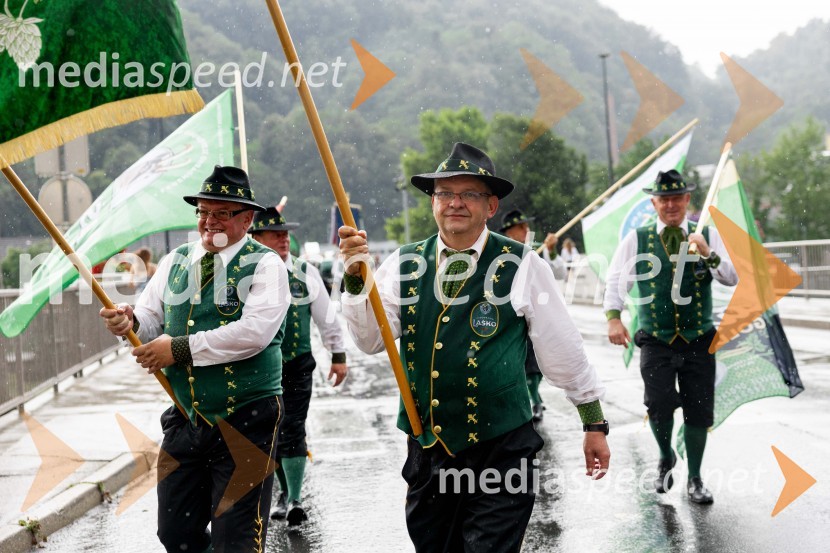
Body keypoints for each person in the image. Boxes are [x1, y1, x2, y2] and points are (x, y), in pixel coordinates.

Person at [339, 142, 610, 552]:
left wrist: (593, 423)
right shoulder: (403, 262)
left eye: (470, 194)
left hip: (501, 452)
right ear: (433, 202)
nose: (455, 203)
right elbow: (371, 339)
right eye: (445, 193)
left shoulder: (522, 264)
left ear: (491, 205)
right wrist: (357, 279)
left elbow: (563, 351)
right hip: (428, 448)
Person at [100, 165, 289, 552]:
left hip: (248, 417)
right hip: (186, 418)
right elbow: (150, 318)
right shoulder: (175, 261)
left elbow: (254, 334)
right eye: (203, 211)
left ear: (247, 218)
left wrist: (179, 348)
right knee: (175, 535)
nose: (208, 221)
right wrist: (128, 320)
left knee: (236, 540)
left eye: (221, 213)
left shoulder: (267, 264)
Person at [603, 169, 737, 504]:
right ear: (654, 203)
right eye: (664, 199)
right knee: (658, 404)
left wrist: (708, 252)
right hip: (656, 338)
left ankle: (695, 479)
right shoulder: (638, 238)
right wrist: (613, 319)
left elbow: (732, 277)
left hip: (699, 337)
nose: (671, 204)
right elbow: (616, 280)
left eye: (677, 198)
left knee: (698, 409)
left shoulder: (705, 233)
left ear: (688, 200)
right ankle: (665, 455)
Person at [248, 208, 349, 526]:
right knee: (269, 431)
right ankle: (280, 493)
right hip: (259, 368)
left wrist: (338, 355)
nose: (283, 238)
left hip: (296, 364)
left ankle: (293, 498)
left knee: (292, 428)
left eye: (285, 233)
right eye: (274, 234)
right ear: (256, 239)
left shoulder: (304, 272)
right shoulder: (246, 275)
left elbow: (326, 316)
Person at [498, 208, 566, 423]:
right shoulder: (499, 253)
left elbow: (560, 273)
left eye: (527, 226)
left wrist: (553, 251)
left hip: (537, 312)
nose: (526, 230)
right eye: (521, 227)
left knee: (535, 362)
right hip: (510, 314)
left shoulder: (537, 250)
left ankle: (534, 397)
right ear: (509, 232)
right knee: (519, 362)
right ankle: (532, 400)